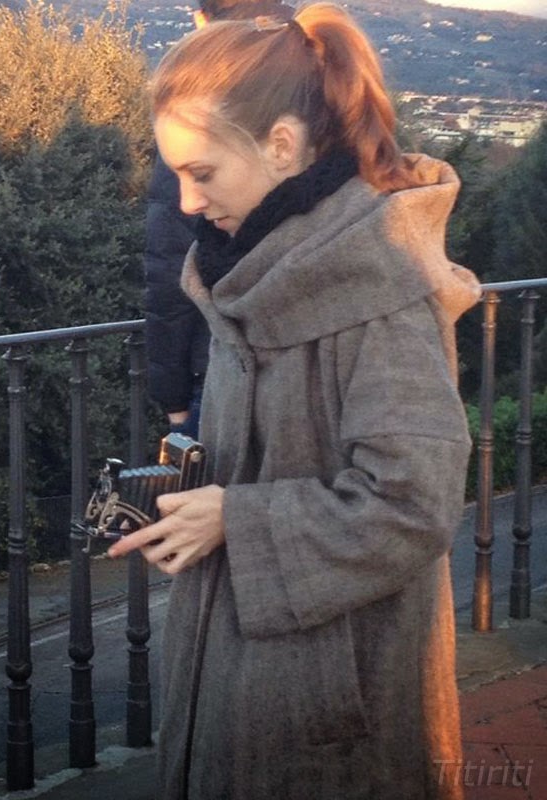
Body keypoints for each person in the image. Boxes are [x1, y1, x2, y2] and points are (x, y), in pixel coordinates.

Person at [110, 3, 481, 798]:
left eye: (202, 173)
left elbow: (414, 504)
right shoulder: (253, 265)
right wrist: (191, 502)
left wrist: (235, 521)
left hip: (334, 698)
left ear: (281, 144)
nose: (186, 203)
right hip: (247, 670)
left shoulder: (378, 283)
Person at [144, 0, 295, 438]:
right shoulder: (317, 97)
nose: (191, 201)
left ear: (201, 20)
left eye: (202, 176)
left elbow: (170, 266)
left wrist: (171, 395)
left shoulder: (199, 114)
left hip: (223, 372)